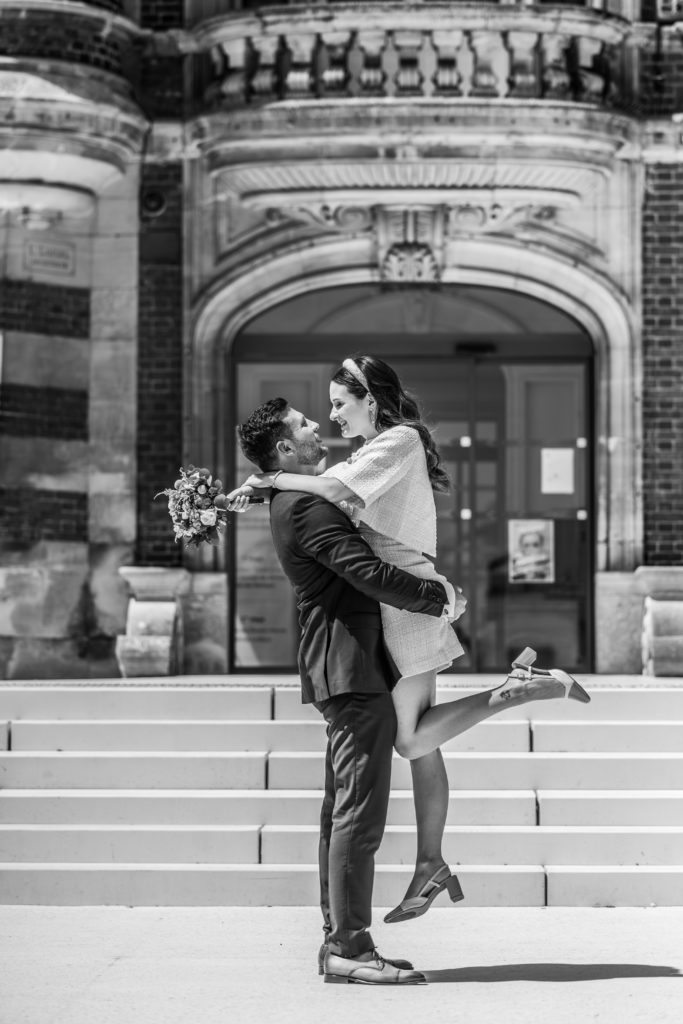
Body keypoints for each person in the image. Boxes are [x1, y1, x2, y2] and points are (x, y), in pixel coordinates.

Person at [229, 356, 590, 924]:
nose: (331, 415)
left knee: (412, 739)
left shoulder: (398, 440)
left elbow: (327, 488)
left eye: (339, 403)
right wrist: (248, 493)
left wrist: (270, 480)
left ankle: (520, 689)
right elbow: (327, 491)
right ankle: (430, 863)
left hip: (406, 597)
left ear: (370, 400)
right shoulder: (370, 451)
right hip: (399, 597)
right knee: (424, 741)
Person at [236, 397, 459, 985]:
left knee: (341, 814)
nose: (317, 425)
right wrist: (439, 597)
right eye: (303, 424)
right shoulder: (307, 508)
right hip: (351, 669)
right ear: (286, 448)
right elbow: (368, 573)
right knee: (359, 817)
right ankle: (350, 949)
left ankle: (339, 940)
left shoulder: (294, 499)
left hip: (341, 668)